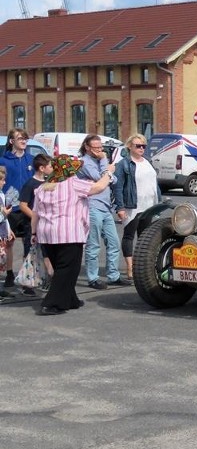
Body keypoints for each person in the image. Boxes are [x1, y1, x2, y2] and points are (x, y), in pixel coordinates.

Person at [32, 155, 114, 315]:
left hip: (47, 233)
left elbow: (35, 213)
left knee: (60, 266)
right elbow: (98, 187)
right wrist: (109, 173)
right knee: (67, 268)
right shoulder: (73, 183)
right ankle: (51, 303)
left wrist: (33, 232)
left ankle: (70, 299)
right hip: (68, 232)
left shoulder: (43, 187)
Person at [78, 135, 128, 289]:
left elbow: (113, 180)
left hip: (106, 207)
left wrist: (107, 175)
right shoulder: (84, 162)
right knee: (93, 245)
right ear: (87, 147)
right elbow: (102, 178)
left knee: (113, 242)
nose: (100, 151)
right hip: (93, 206)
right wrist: (106, 163)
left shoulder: (99, 161)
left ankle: (113, 275)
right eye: (96, 148)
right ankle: (93, 278)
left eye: (101, 148)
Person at [114, 134, 161, 281]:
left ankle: (144, 267)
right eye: (138, 146)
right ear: (129, 147)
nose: (141, 148)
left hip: (149, 205)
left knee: (145, 237)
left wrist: (159, 201)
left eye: (143, 146)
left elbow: (154, 184)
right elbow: (118, 187)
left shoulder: (147, 162)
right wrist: (120, 207)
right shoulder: (124, 164)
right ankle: (130, 267)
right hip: (132, 206)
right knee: (129, 235)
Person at [0, 128, 35, 289]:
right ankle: (9, 274)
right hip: (10, 209)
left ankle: (26, 277)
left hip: (28, 207)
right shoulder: (3, 161)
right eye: (20, 138)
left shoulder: (32, 160)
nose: (23, 140)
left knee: (29, 243)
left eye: (25, 138)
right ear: (11, 141)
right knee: (8, 243)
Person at [18, 154, 55, 293]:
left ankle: (49, 278)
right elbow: (23, 205)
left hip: (45, 226)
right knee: (30, 252)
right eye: (50, 166)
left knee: (47, 253)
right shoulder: (30, 184)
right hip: (31, 226)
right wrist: (35, 217)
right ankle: (27, 283)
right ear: (41, 168)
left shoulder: (48, 183)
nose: (53, 169)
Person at [0, 167, 15, 299]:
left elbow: (4, 217)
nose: (4, 183)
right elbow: (2, 215)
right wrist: (3, 213)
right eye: (2, 180)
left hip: (2, 233)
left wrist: (9, 230)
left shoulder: (2, 194)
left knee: (1, 262)